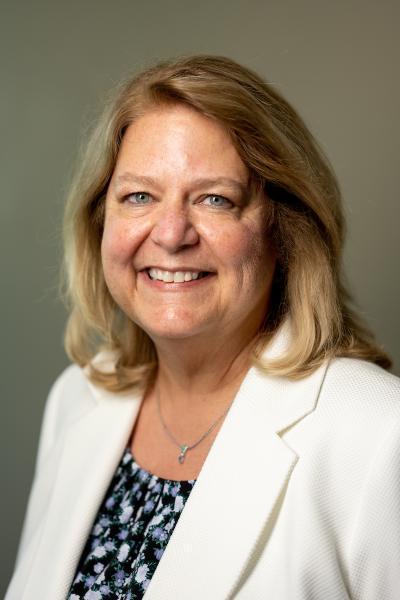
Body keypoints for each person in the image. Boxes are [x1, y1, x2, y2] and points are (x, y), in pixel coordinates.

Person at [6, 55, 400, 600]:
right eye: (139, 196)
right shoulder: (77, 399)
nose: (170, 234)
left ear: (283, 228)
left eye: (215, 198)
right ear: (102, 220)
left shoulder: (379, 433)